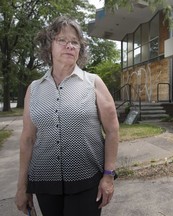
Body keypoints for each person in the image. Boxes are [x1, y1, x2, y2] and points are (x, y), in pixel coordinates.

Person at [15, 16, 119, 216]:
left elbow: (113, 130)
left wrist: (108, 176)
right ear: (48, 46)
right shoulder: (34, 89)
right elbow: (27, 139)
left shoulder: (93, 83)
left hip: (86, 181)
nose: (69, 46)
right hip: (44, 182)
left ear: (80, 49)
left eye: (75, 42)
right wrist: (22, 187)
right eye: (62, 40)